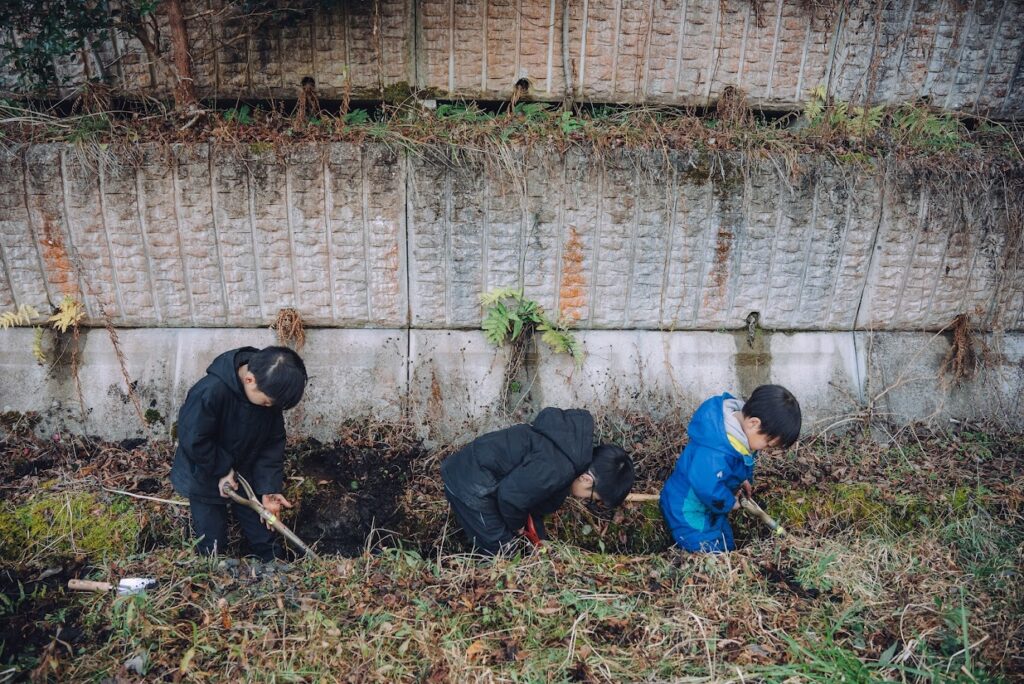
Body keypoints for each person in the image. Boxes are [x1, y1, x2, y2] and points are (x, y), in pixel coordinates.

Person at [171, 346, 307, 561]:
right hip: (204, 471)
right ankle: (214, 569)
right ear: (249, 380)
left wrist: (269, 488)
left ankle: (274, 566)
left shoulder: (268, 393)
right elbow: (195, 439)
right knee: (213, 542)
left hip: (245, 472)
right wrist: (222, 469)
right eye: (266, 402)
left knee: (264, 536)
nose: (269, 407)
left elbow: (272, 444)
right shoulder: (210, 392)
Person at [441, 407, 635, 555]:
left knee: (508, 546)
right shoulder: (557, 467)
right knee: (503, 553)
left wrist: (541, 539)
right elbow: (511, 498)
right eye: (592, 498)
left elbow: (533, 503)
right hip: (470, 483)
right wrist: (517, 526)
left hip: (481, 478)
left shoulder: (566, 454)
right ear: (586, 479)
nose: (584, 500)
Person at [660, 384, 801, 553]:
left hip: (710, 506)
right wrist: (730, 503)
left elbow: (734, 465)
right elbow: (706, 486)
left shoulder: (738, 434)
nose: (766, 449)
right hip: (688, 509)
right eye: (768, 444)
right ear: (754, 423)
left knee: (727, 542)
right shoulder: (715, 450)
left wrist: (742, 480)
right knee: (708, 550)